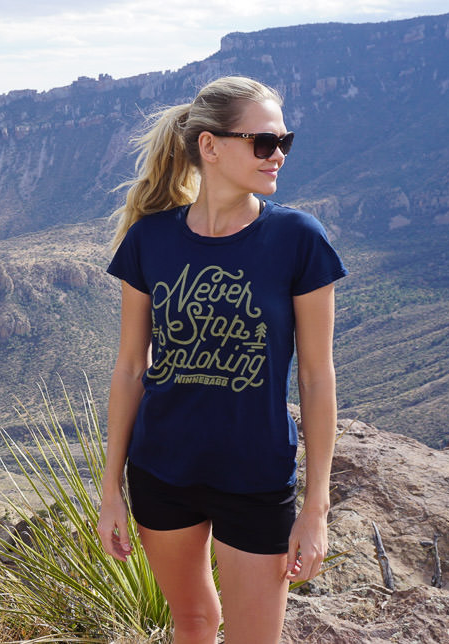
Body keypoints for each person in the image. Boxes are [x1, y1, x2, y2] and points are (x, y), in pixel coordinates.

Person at [96, 75, 347, 644]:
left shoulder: (299, 239)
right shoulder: (149, 239)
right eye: (262, 141)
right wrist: (111, 490)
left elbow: (316, 375)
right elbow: (131, 367)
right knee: (193, 623)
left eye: (285, 140)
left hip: (256, 476)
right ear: (210, 145)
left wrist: (316, 509)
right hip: (161, 470)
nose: (277, 154)